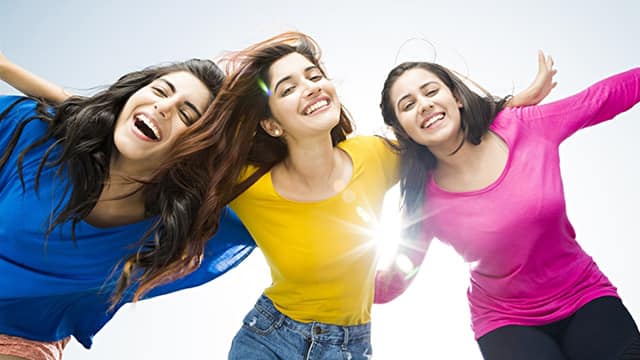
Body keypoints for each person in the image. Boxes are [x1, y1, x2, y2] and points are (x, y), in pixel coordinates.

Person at [195, 31, 552, 359]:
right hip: (269, 338)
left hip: (348, 348)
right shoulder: (246, 184)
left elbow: (436, 133)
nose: (311, 87)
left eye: (315, 76)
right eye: (288, 89)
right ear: (271, 125)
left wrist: (512, 104)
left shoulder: (373, 155)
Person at [374, 54, 640, 359]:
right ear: (403, 129)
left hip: (583, 294)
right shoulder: (423, 202)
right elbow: (393, 282)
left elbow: (600, 99)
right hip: (506, 322)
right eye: (407, 105)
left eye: (431, 91)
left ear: (457, 98)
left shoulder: (523, 126)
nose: (424, 104)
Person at [0, 55, 255, 360]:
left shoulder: (189, 221)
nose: (163, 106)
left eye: (187, 115)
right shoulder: (32, 133)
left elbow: (307, 190)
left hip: (21, 339)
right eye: (160, 91)